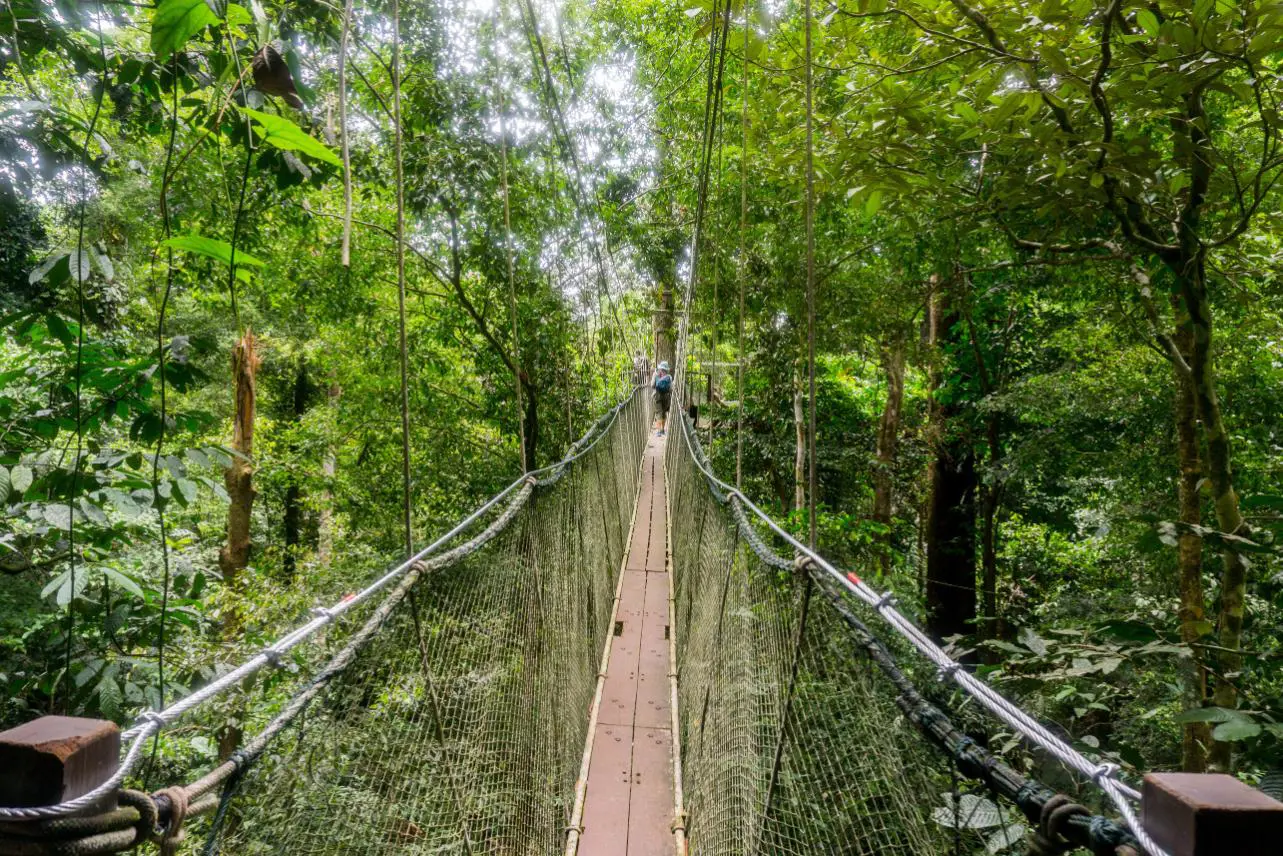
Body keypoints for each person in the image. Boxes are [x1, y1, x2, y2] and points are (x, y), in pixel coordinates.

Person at [652, 360, 673, 436]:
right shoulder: (669, 377)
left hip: (657, 396)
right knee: (664, 413)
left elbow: (652, 385)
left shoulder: (656, 374)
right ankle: (663, 430)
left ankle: (658, 431)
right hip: (666, 397)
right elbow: (671, 388)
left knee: (659, 413)